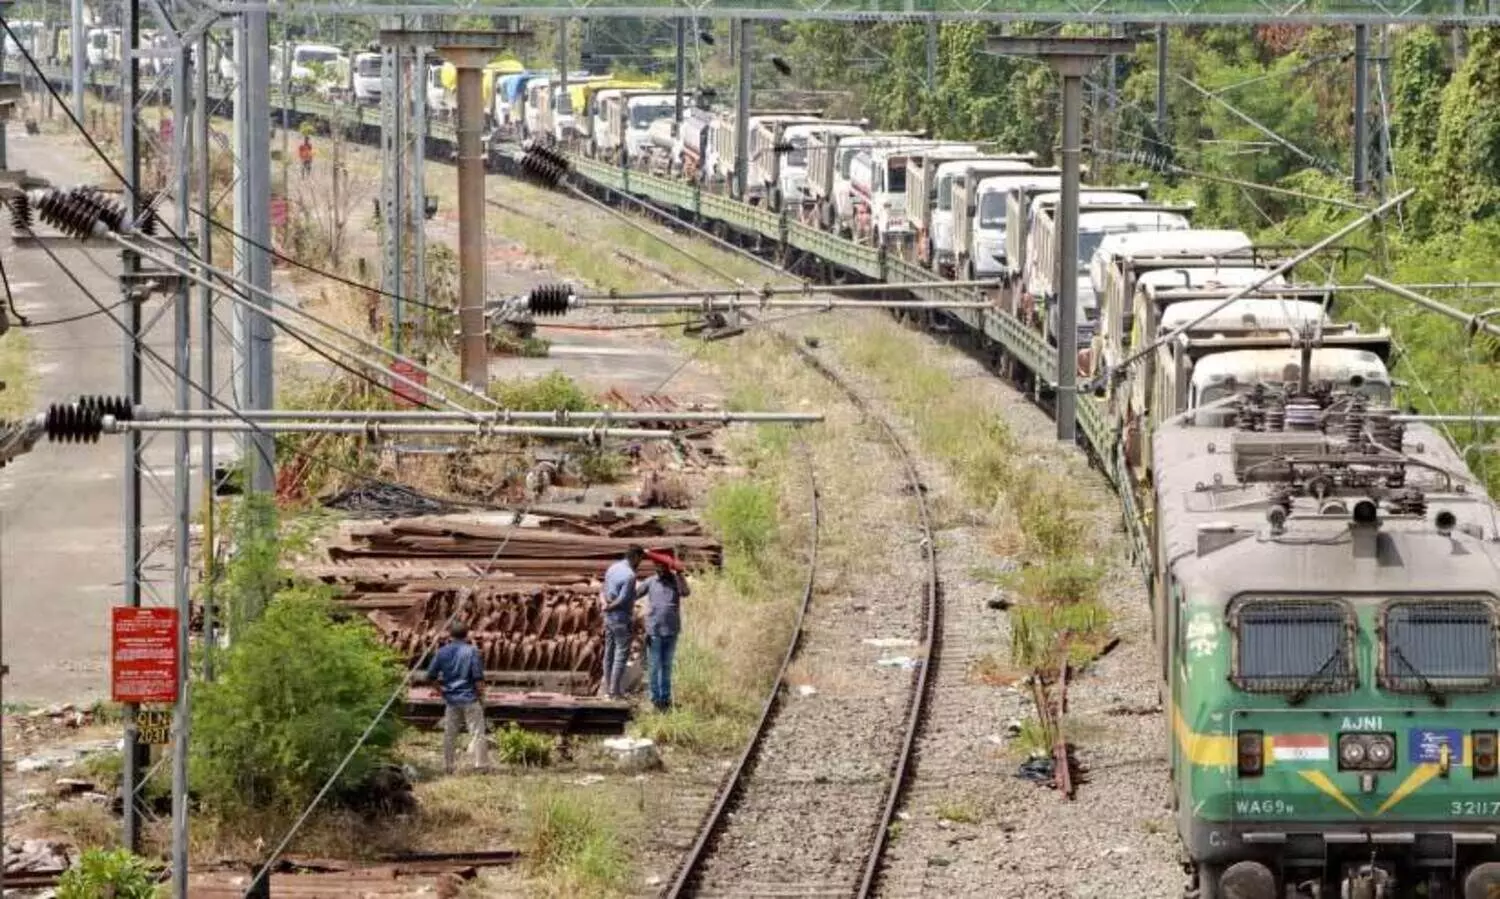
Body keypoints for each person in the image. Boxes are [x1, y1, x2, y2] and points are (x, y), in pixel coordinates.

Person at [427, 621, 488, 774]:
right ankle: (480, 766)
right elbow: (478, 679)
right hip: (469, 698)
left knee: (450, 733)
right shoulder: (472, 651)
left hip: (451, 700)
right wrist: (481, 697)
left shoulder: (442, 652)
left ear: (450, 635)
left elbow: (430, 676)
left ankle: (448, 766)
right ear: (467, 635)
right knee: (477, 733)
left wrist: (441, 692)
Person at [642, 549, 690, 712]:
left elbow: (686, 593)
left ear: (668, 567)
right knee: (654, 666)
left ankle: (665, 698)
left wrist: (680, 574)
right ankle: (655, 699)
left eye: (662, 567)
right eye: (657, 566)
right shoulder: (650, 582)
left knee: (667, 665)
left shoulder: (675, 581)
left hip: (671, 630)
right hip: (654, 630)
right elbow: (634, 594)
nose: (659, 569)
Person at [600, 545, 646, 700]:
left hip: (608, 619)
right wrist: (610, 606)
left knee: (608, 654)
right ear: (635, 557)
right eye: (640, 559)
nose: (641, 563)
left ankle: (607, 690)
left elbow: (603, 590)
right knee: (620, 655)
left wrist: (604, 605)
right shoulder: (629, 575)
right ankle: (615, 692)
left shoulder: (612, 568)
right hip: (620, 619)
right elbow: (623, 599)